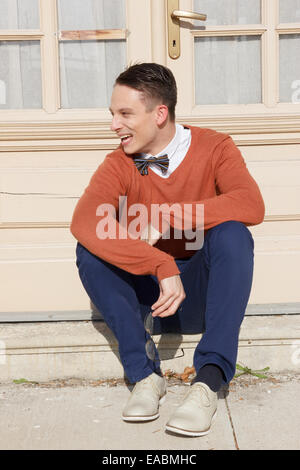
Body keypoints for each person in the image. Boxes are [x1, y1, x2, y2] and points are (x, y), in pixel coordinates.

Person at [70, 63, 265, 437]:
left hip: (200, 297)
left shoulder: (215, 147)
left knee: (234, 233)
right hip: (147, 301)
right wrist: (159, 262)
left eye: (125, 114)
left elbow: (251, 203)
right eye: (113, 114)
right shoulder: (118, 163)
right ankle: (145, 376)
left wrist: (175, 216)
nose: (114, 125)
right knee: (88, 249)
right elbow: (84, 221)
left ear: (160, 114)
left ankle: (208, 381)